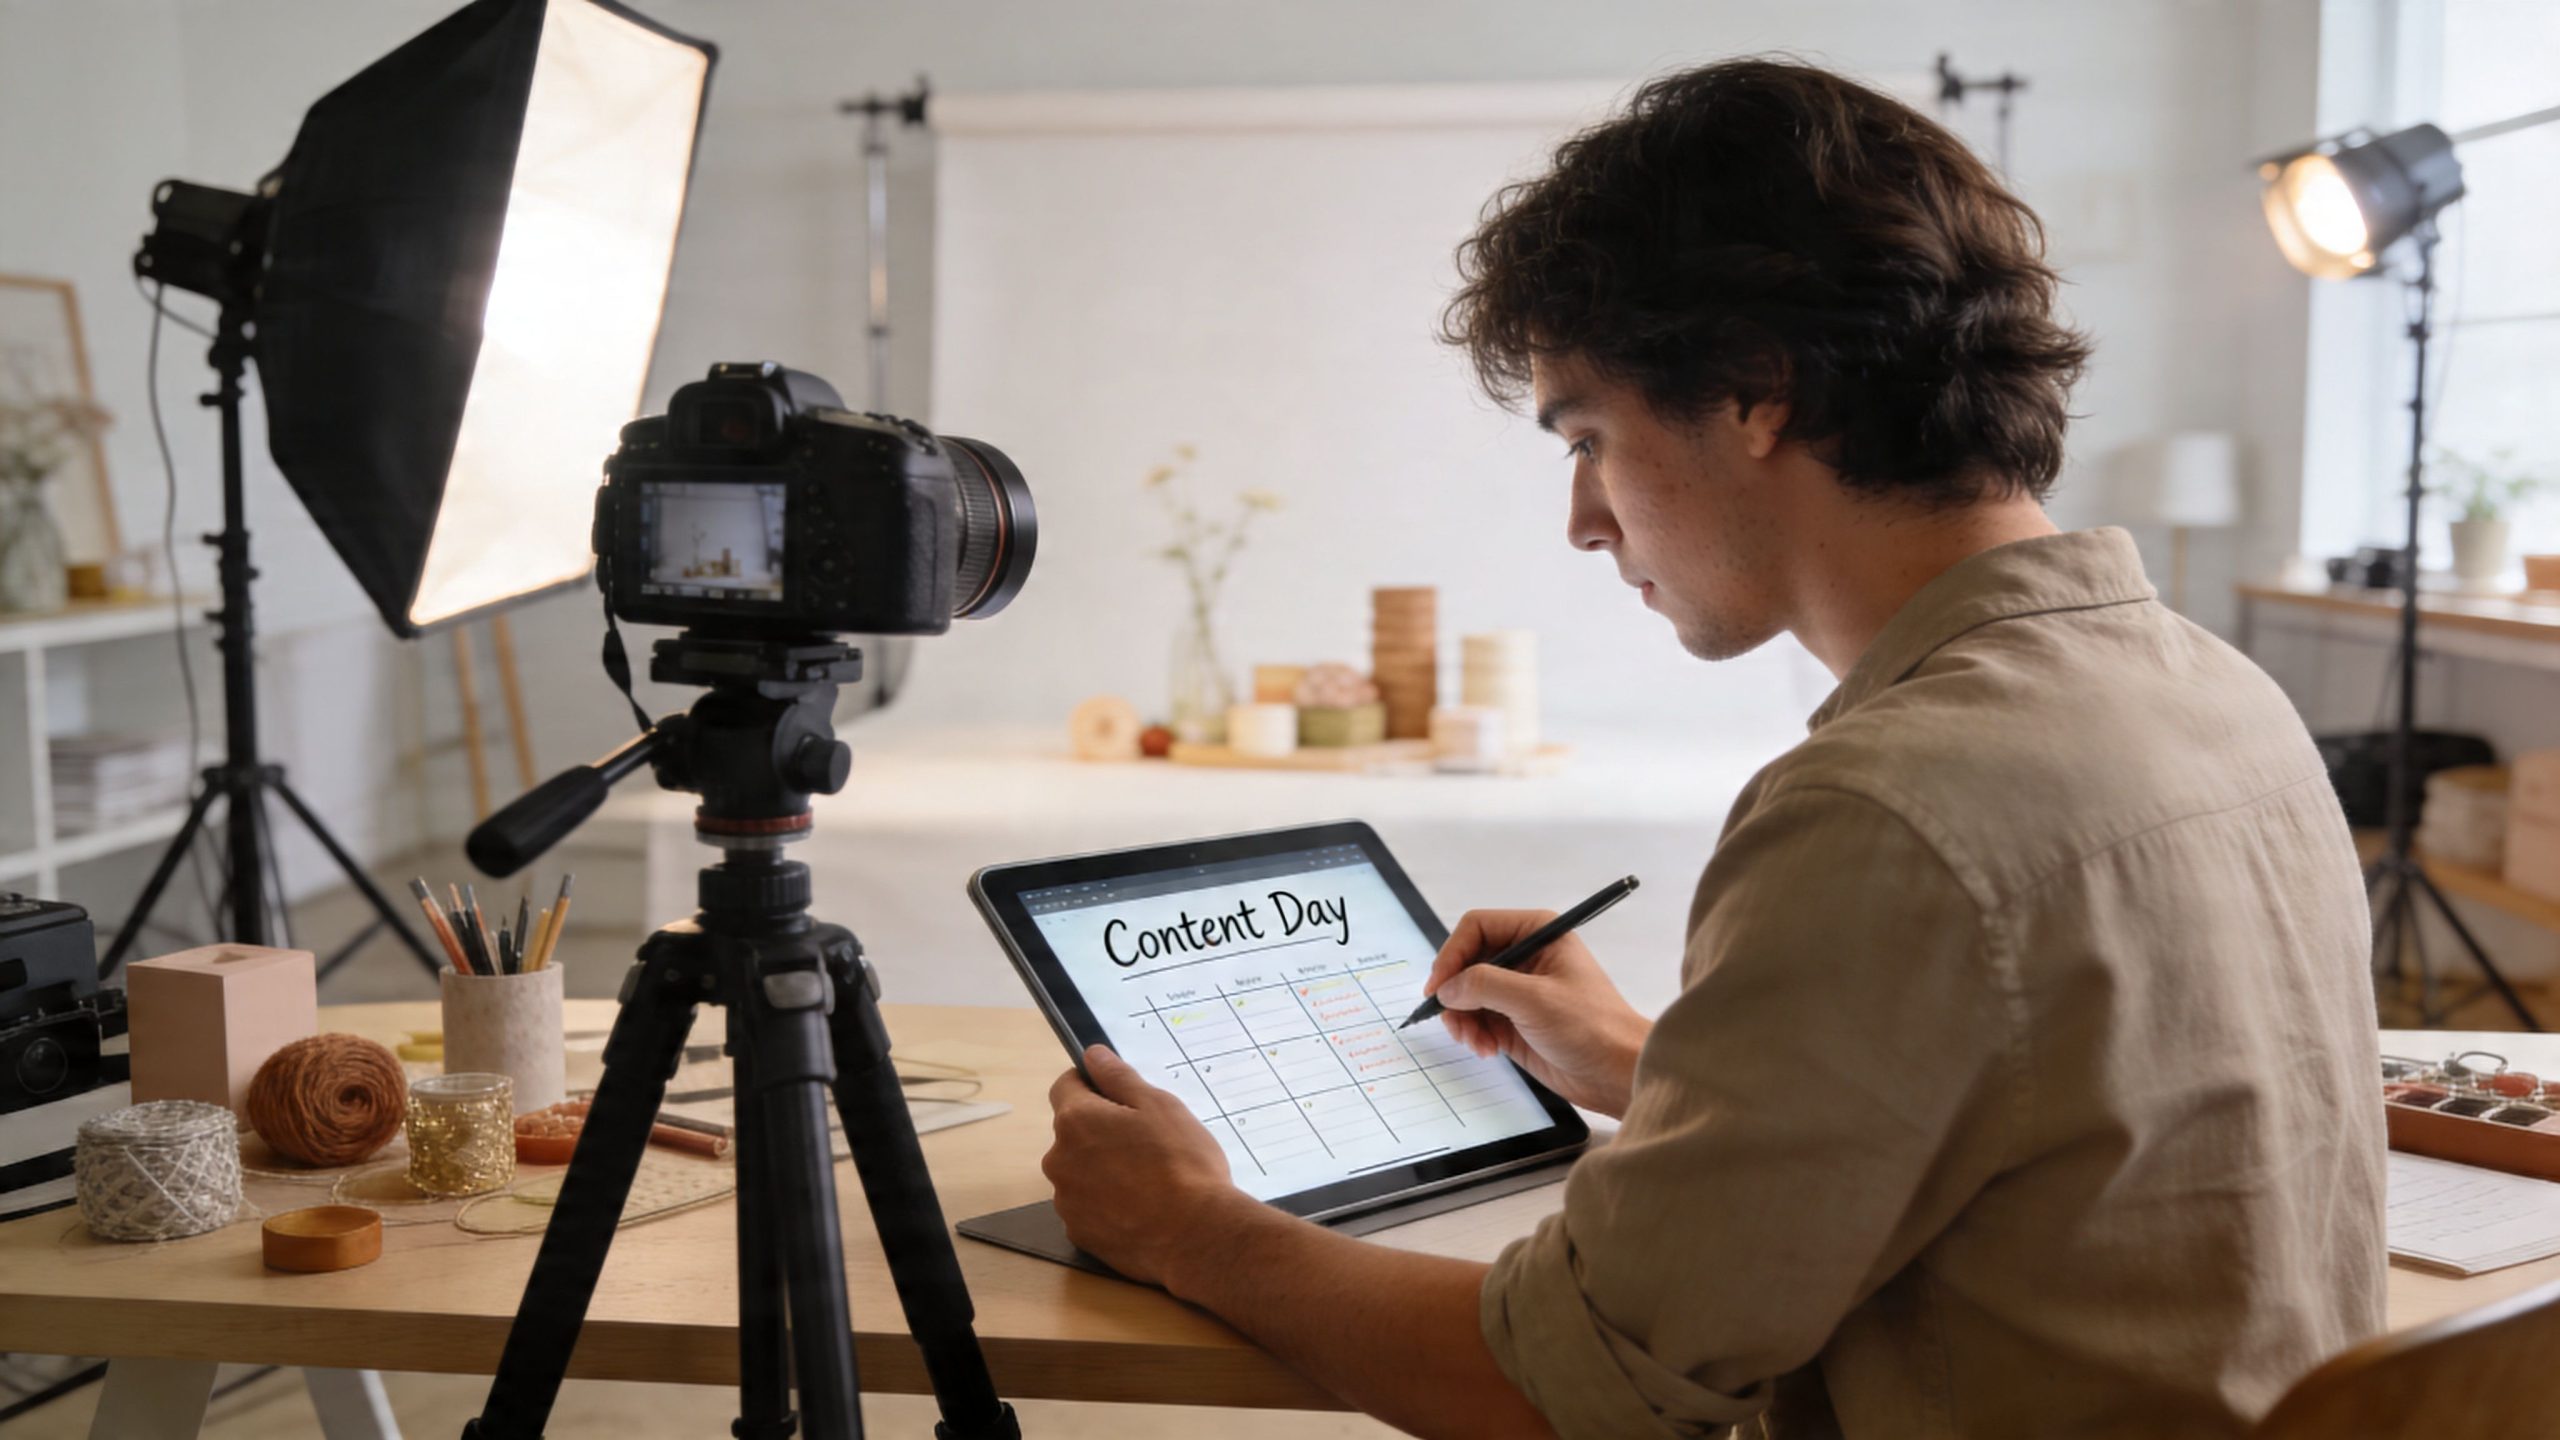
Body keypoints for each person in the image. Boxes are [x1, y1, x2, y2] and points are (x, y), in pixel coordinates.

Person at [1040, 57, 2384, 1440]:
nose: (1583, 520)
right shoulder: (2219, 694)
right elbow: (2049, 1117)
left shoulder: (1895, 808)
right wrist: (1651, 1063)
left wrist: (1194, 1227)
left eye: (1589, 437)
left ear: (1756, 393)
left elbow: (1560, 1388)